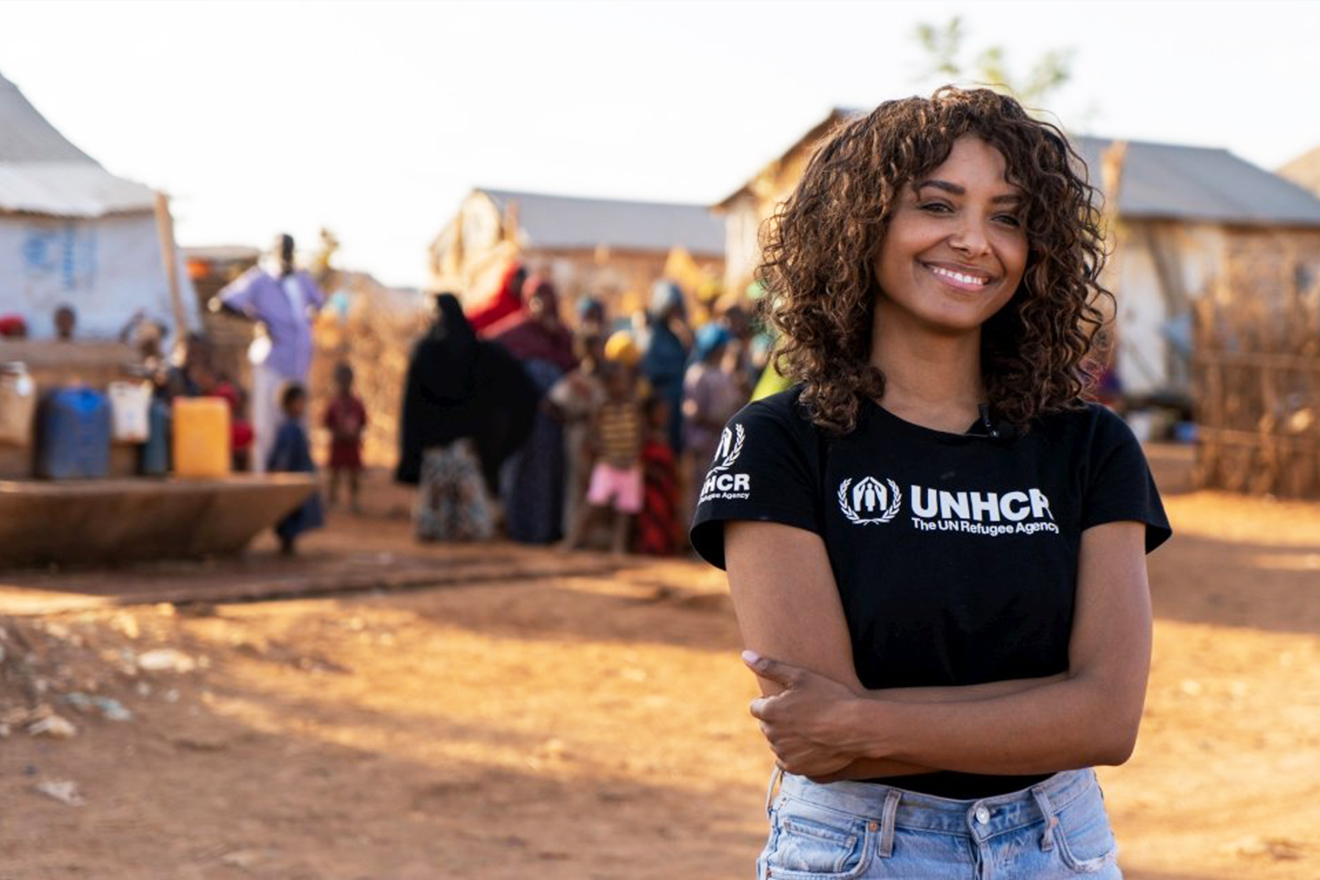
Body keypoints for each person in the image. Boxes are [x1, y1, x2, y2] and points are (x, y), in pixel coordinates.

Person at [689, 87, 1172, 879]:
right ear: (862, 223)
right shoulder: (780, 442)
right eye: (938, 205)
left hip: (1058, 847)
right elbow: (816, 741)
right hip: (858, 850)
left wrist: (863, 719)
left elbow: (1109, 719)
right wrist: (1041, 707)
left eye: (1009, 216)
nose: (975, 241)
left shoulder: (1090, 446)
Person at [396, 293, 537, 541]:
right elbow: (523, 393)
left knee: (434, 526)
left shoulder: (426, 352)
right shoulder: (480, 353)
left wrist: (410, 454)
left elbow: (411, 409)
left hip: (437, 450)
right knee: (472, 526)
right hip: (469, 451)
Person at [215, 233, 324, 472]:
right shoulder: (260, 279)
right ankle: (263, 477)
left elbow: (321, 303)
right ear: (273, 251)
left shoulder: (301, 278)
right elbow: (221, 302)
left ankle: (297, 480)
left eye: (290, 250)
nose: (286, 254)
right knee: (267, 424)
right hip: (272, 361)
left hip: (299, 362)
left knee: (299, 424)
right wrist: (257, 321)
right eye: (282, 249)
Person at [489, 275, 578, 543]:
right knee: (518, 473)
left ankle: (547, 532)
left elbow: (579, 370)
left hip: (555, 423)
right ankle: (518, 530)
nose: (541, 304)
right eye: (536, 298)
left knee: (553, 476)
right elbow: (494, 367)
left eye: (546, 298)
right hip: (521, 421)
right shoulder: (511, 334)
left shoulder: (563, 337)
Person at [560, 362, 642, 555]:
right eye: (618, 382)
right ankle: (572, 540)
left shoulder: (633, 406)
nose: (622, 385)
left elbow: (640, 433)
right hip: (608, 462)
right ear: (608, 385)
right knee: (594, 501)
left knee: (625, 509)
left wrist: (634, 455)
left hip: (630, 463)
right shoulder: (602, 407)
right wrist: (606, 455)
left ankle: (618, 546)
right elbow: (594, 435)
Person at [682, 322, 747, 523]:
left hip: (720, 442)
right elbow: (693, 412)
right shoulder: (698, 374)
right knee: (700, 489)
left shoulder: (725, 375)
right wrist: (718, 423)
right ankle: (692, 534)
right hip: (703, 441)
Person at [548, 333, 607, 535]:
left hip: (600, 435)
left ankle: (592, 534)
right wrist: (573, 417)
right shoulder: (574, 378)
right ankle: (572, 531)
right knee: (577, 482)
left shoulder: (605, 378)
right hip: (578, 434)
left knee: (596, 483)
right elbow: (551, 403)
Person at [267, 382, 324, 555]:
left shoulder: (293, 427)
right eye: (299, 402)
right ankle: (287, 542)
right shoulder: (290, 429)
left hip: (296, 477)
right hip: (291, 479)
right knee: (290, 512)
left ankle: (289, 541)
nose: (302, 406)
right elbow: (284, 457)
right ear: (289, 404)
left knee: (294, 512)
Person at [639, 280, 691, 455]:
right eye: (670, 307)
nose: (674, 311)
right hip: (662, 405)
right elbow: (649, 372)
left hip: (681, 404)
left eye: (677, 307)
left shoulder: (681, 336)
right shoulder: (652, 336)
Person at [634, 394, 680, 556]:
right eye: (659, 413)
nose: (663, 416)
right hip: (651, 486)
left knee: (667, 516)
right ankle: (651, 549)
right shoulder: (645, 436)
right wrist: (652, 473)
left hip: (666, 485)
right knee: (653, 518)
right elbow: (640, 460)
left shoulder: (665, 435)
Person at [324, 362, 367, 513]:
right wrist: (338, 433)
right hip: (338, 444)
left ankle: (354, 501)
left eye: (346, 379)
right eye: (341, 380)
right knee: (334, 473)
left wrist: (355, 434)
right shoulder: (333, 403)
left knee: (354, 474)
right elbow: (327, 422)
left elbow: (363, 421)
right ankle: (331, 500)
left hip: (352, 444)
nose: (344, 383)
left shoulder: (357, 403)